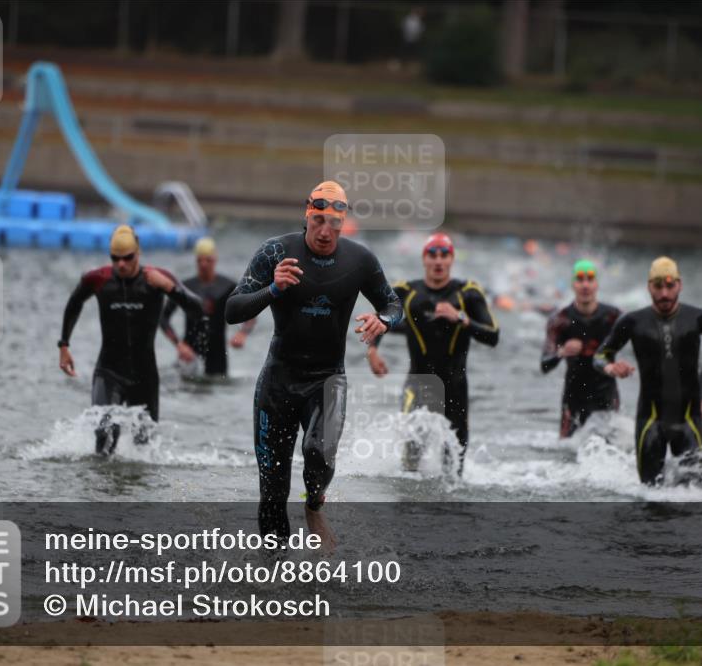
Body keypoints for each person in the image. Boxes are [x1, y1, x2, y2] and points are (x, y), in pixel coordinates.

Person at [224, 181, 402, 546]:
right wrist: (272, 289)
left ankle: (314, 504)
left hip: (328, 378)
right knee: (272, 490)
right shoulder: (275, 251)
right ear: (307, 215)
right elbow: (231, 309)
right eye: (318, 221)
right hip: (278, 379)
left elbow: (394, 304)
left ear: (343, 223)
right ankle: (275, 579)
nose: (325, 232)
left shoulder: (360, 260)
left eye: (334, 225)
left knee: (318, 454)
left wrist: (383, 321)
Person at [59, 225, 207, 457]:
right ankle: (101, 492)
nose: (121, 264)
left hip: (144, 377)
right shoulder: (98, 279)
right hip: (108, 372)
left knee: (144, 450)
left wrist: (168, 287)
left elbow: (198, 309)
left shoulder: (157, 278)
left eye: (127, 258)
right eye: (115, 259)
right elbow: (74, 303)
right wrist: (64, 345)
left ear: (138, 253)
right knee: (105, 437)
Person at [593, 257, 702, 486]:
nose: (664, 293)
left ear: (679, 285)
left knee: (695, 496)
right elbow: (600, 356)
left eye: (670, 286)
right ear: (648, 287)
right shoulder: (632, 321)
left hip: (689, 421)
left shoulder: (698, 318)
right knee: (649, 496)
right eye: (658, 286)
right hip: (650, 421)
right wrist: (611, 367)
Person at [366, 232, 499, 472]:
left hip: (455, 387)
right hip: (417, 385)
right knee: (410, 463)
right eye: (433, 254)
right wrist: (373, 351)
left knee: (453, 469)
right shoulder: (406, 291)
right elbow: (381, 318)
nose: (438, 261)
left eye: (444, 255)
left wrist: (460, 318)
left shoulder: (468, 293)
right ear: (424, 258)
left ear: (452, 259)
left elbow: (493, 335)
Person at [540, 259, 621, 438]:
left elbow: (641, 345)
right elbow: (544, 365)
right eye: (580, 279)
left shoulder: (613, 317)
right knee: (567, 453)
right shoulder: (560, 320)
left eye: (590, 279)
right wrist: (562, 352)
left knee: (610, 452)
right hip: (574, 399)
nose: (585, 285)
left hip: (605, 396)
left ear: (597, 284)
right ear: (573, 285)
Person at [160, 237, 256, 378]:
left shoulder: (228, 287)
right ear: (196, 261)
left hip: (217, 355)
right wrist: (179, 345)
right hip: (189, 354)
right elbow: (163, 318)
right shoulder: (185, 287)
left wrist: (242, 334)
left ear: (215, 259)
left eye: (208, 260)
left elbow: (251, 312)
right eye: (200, 260)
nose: (204, 264)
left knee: (217, 389)